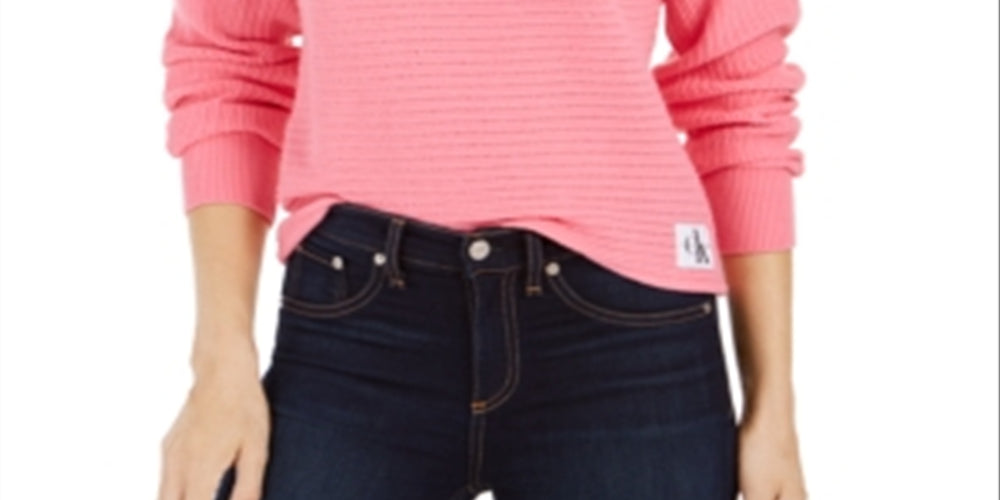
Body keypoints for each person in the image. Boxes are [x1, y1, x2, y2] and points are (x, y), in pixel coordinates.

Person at [156, 0, 809, 498]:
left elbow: (738, 93)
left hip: (625, 336)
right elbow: (229, 59)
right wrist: (220, 363)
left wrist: (774, 408)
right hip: (356, 330)